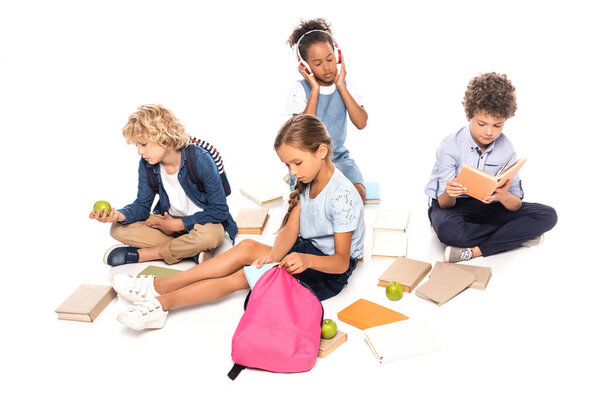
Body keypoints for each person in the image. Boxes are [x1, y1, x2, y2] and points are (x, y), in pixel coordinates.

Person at [110, 115, 365, 331]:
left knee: (242, 276)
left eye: (297, 163)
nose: (293, 171)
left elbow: (341, 262)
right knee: (247, 249)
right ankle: (159, 285)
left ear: (321, 151)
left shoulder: (342, 196)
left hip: (328, 270)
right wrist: (274, 255)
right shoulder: (303, 177)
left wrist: (305, 261)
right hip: (305, 252)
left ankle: (161, 305)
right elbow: (292, 229)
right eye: (287, 164)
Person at [425, 72, 557, 263]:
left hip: (490, 206)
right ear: (469, 115)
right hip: (454, 208)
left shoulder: (507, 148)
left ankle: (475, 250)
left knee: (548, 216)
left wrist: (503, 196)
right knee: (449, 232)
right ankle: (516, 237)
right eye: (482, 123)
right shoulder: (449, 146)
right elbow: (445, 203)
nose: (489, 132)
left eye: (497, 125)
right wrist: (450, 192)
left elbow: (515, 205)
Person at [89, 104, 237, 266]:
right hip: (168, 222)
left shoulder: (200, 159)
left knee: (210, 236)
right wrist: (118, 215)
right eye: (137, 146)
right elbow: (142, 206)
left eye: (143, 145)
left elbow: (220, 210)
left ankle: (147, 254)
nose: (139, 152)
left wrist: (178, 224)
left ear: (164, 138)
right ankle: (191, 251)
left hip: (203, 224)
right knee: (118, 228)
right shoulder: (146, 165)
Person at [285, 18, 368, 202]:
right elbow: (302, 131)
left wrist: (341, 86)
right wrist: (314, 90)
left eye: (330, 59)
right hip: (308, 160)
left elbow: (361, 123)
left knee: (358, 196)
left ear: (337, 56)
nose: (327, 67)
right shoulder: (300, 90)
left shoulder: (346, 86)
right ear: (306, 66)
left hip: (337, 157)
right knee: (309, 201)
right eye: (317, 63)